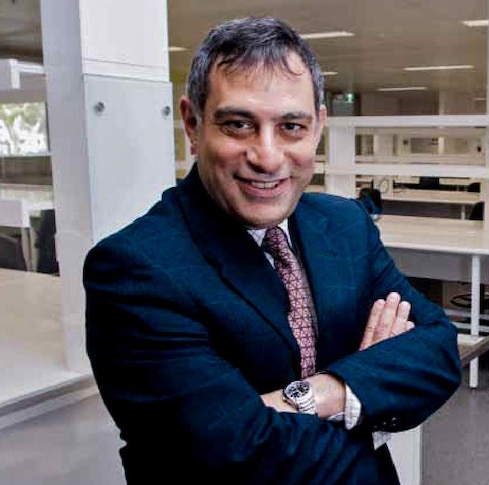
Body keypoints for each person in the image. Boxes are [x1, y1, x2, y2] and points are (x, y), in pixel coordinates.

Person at [84, 17, 461, 485]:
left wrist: (322, 393)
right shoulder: (136, 267)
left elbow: (439, 348)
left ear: (319, 127)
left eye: (291, 126)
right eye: (238, 124)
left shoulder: (344, 226)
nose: (267, 156)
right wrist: (370, 390)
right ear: (192, 123)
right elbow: (235, 451)